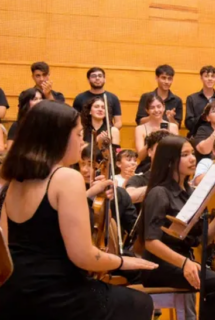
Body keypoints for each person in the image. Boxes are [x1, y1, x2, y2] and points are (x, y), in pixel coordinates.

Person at [0, 100, 157, 319]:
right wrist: (123, 261)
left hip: (12, 292)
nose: (82, 141)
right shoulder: (66, 177)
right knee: (140, 303)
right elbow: (83, 256)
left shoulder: (11, 183)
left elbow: (6, 249)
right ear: (59, 138)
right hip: (56, 295)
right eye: (79, 134)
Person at [139, 136, 215, 320]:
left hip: (184, 263)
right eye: (185, 154)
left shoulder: (190, 193)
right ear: (170, 161)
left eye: (192, 153)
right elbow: (150, 242)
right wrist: (184, 263)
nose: (192, 158)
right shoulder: (159, 193)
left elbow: (199, 239)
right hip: (159, 267)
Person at [135, 94, 178, 173]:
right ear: (147, 110)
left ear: (163, 107)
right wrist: (152, 138)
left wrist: (170, 137)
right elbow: (140, 156)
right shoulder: (140, 129)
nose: (156, 110)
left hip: (168, 166)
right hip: (147, 167)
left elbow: (177, 152)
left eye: (159, 106)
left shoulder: (172, 127)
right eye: (152, 107)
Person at [185, 65, 215, 137]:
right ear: (201, 78)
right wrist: (203, 114)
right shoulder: (192, 98)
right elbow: (189, 124)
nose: (210, 79)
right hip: (197, 135)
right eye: (206, 76)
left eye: (213, 76)